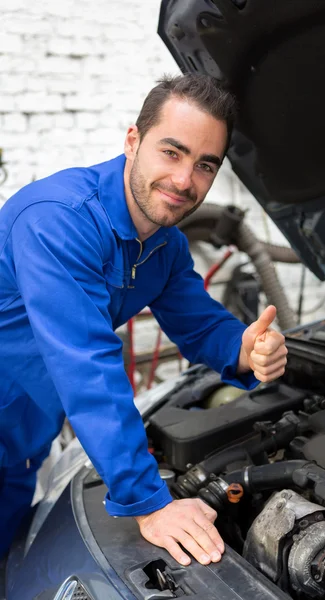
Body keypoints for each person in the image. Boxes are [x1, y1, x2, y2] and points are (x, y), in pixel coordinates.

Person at [0, 74, 288, 566]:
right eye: (171, 153)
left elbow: (200, 325)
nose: (184, 180)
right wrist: (148, 502)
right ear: (133, 141)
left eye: (204, 165)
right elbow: (87, 366)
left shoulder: (165, 246)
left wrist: (245, 346)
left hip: (22, 443)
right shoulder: (58, 219)